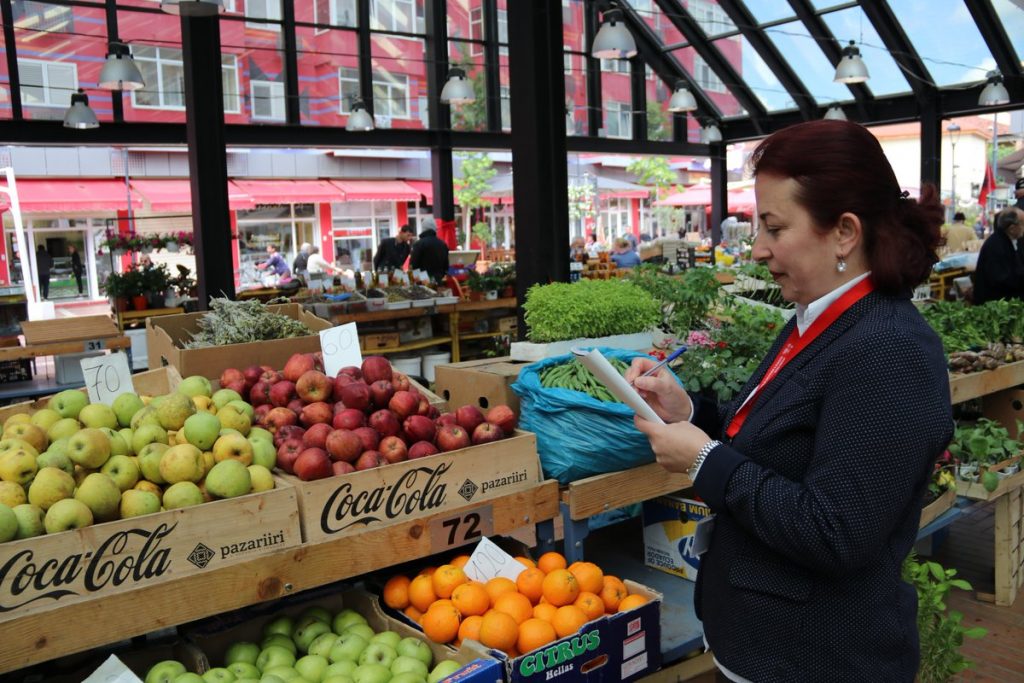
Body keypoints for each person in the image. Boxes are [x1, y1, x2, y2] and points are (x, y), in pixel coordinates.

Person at [625, 119, 952, 682]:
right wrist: (692, 413)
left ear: (845, 232)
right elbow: (780, 440)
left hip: (818, 657)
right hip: (768, 645)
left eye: (775, 228)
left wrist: (705, 462)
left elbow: (836, 530)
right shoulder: (819, 320)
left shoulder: (889, 349)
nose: (758, 249)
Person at [972, 206, 1024, 305]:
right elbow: (1003, 280)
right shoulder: (997, 246)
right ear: (1012, 228)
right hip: (993, 305)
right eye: (1023, 224)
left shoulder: (1007, 240)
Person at [409, 217, 450, 284]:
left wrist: (415, 280)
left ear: (423, 228)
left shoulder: (419, 244)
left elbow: (413, 264)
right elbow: (446, 266)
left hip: (423, 281)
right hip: (438, 279)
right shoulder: (443, 244)